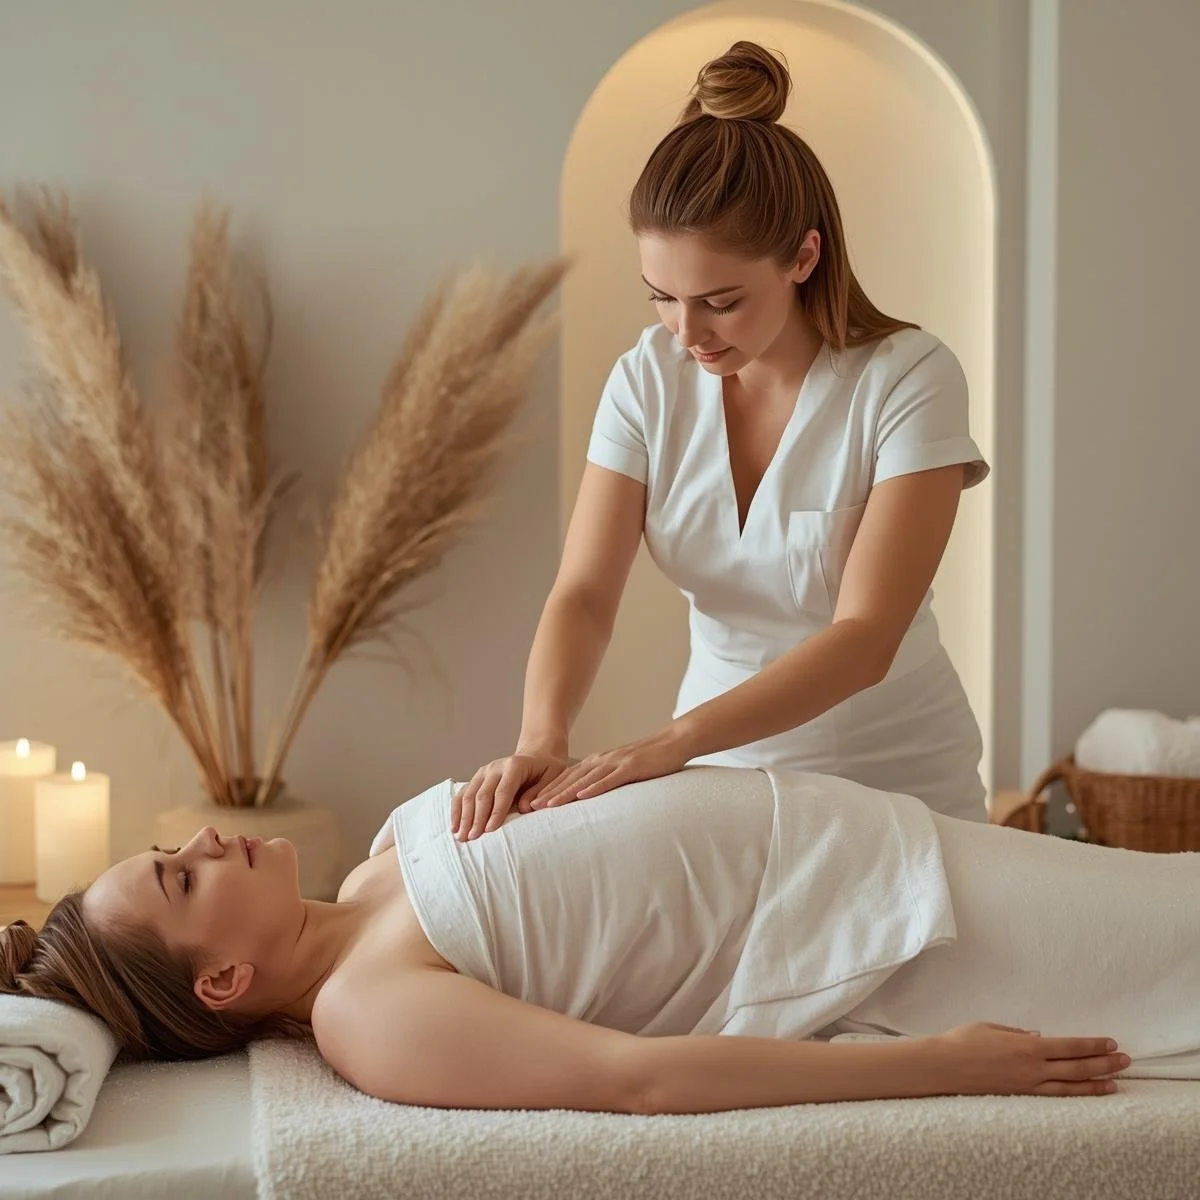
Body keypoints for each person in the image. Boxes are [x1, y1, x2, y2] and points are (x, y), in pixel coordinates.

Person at [457, 40, 991, 841]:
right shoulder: (647, 381)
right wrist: (543, 738)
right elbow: (584, 593)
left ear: (804, 256)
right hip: (716, 782)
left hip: (898, 781)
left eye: (721, 300)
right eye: (663, 298)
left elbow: (866, 637)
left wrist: (672, 743)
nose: (688, 332)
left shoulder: (908, 379)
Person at [6, 764, 1198, 1115]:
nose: (209, 838)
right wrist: (949, 1064)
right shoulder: (371, 1016)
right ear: (222, 978)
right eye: (180, 874)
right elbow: (640, 1080)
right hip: (890, 933)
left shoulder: (374, 870)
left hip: (857, 838)